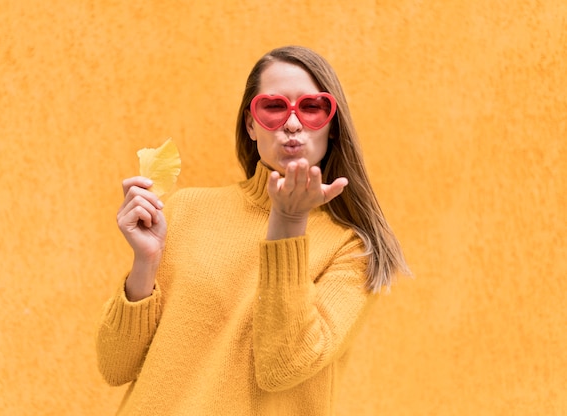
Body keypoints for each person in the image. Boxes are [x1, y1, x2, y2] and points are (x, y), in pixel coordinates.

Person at [96, 45, 410, 416]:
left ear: (331, 124)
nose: (292, 123)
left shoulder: (352, 250)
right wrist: (145, 263)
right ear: (251, 124)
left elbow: (283, 366)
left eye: (311, 108)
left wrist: (289, 224)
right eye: (274, 107)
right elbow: (114, 366)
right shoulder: (185, 210)